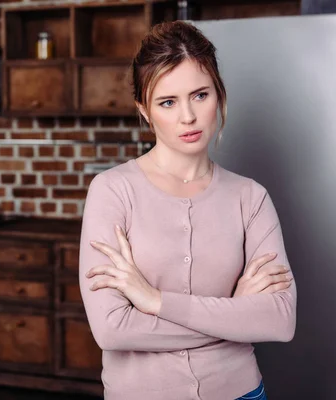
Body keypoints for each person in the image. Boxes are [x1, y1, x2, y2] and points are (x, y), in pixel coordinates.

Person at [79, 21, 296, 400]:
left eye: (200, 95)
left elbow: (280, 320)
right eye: (168, 102)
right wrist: (234, 314)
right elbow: (112, 329)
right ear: (144, 111)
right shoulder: (113, 192)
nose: (188, 116)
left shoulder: (251, 198)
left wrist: (155, 301)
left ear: (219, 96)